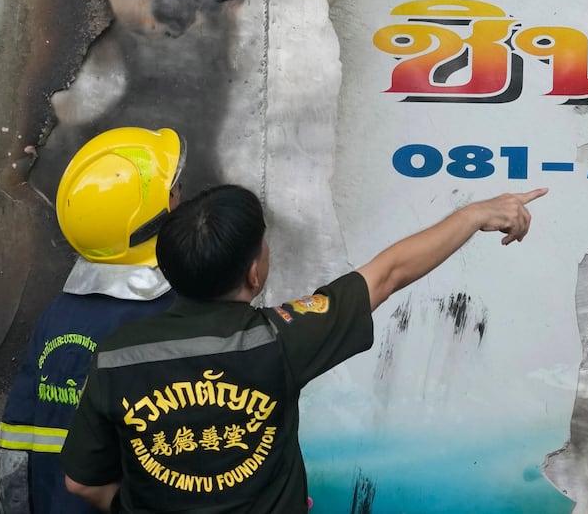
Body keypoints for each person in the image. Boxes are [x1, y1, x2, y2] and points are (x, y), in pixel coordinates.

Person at [59, 183, 548, 512]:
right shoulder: (279, 337)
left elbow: (83, 482)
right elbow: (389, 272)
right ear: (255, 273)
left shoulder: (117, 355)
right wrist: (475, 213)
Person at [0, 127, 186, 514]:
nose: (180, 197)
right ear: (151, 218)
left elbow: (14, 447)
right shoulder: (170, 319)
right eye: (174, 190)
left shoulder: (57, 317)